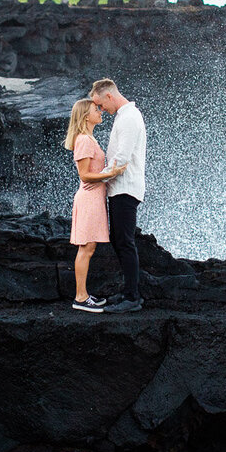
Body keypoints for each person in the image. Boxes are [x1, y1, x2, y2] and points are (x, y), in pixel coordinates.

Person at [89, 79, 147, 313]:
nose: (101, 110)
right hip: (119, 187)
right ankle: (128, 292)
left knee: (124, 241)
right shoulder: (124, 116)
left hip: (126, 187)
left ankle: (132, 298)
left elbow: (121, 159)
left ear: (109, 97)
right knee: (119, 239)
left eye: (100, 105)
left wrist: (94, 180)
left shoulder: (130, 117)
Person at [63, 98, 126, 313]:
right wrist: (111, 173)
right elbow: (84, 175)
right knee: (86, 247)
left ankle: (83, 296)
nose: (99, 111)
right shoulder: (84, 140)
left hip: (94, 198)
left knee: (88, 247)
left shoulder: (89, 138)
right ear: (85, 116)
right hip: (89, 198)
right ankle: (80, 298)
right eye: (95, 109)